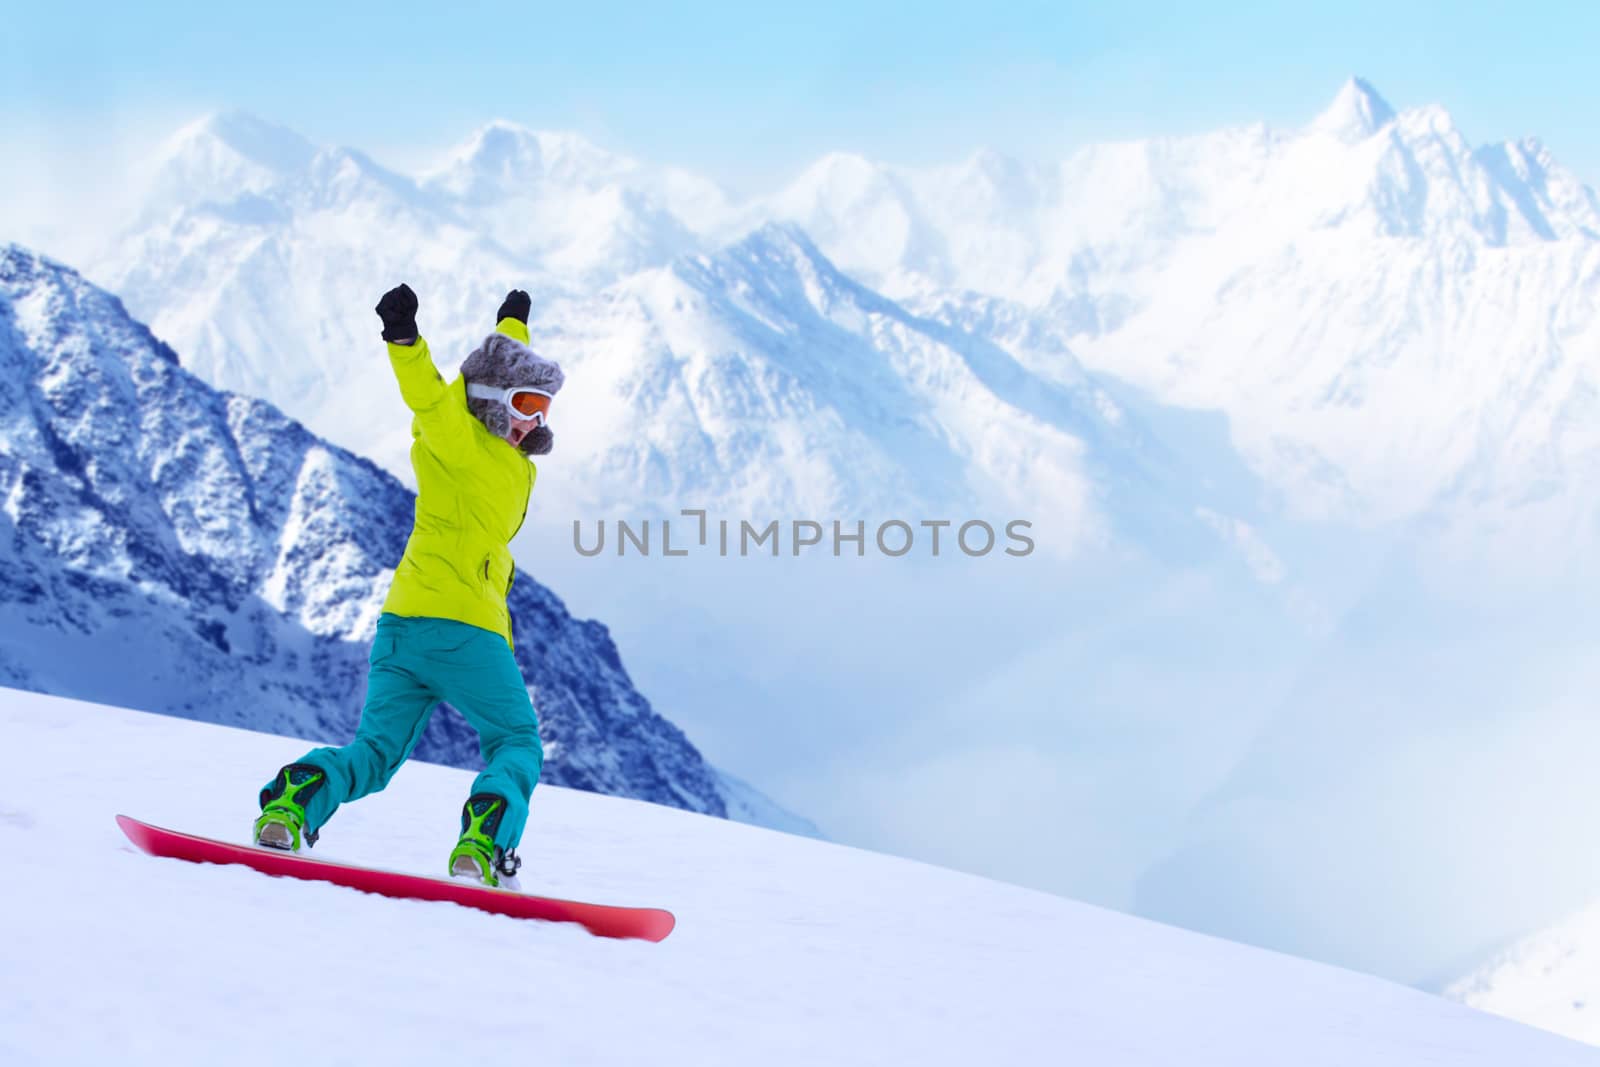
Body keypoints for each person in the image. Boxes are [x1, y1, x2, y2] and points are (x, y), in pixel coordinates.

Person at [252, 284, 565, 888]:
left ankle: (292, 804)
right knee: (517, 740)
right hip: (465, 631)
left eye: (543, 409)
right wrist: (404, 338)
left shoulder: (488, 438)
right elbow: (432, 397)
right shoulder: (459, 437)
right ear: (495, 401)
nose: (534, 421)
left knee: (373, 753)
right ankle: (484, 843)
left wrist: (511, 324)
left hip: (400, 629)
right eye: (525, 404)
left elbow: (491, 367)